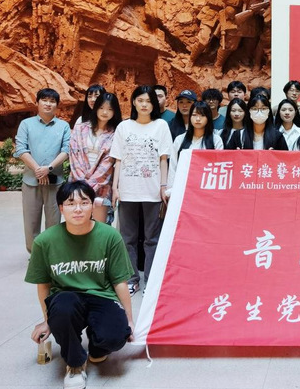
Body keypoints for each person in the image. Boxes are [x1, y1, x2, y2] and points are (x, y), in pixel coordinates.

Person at [25, 181, 134, 389]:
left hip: (101, 295)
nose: (77, 209)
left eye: (84, 203)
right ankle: (75, 364)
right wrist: (47, 321)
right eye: (70, 203)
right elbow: (43, 285)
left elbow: (120, 281)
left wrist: (129, 320)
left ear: (93, 206)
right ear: (61, 208)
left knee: (115, 336)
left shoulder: (110, 236)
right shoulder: (45, 241)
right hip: (66, 297)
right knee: (63, 310)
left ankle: (97, 347)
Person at [110, 85, 173, 295]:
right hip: (127, 189)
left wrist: (163, 186)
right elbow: (118, 160)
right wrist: (115, 188)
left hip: (152, 191)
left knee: (151, 238)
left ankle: (151, 281)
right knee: (127, 238)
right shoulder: (124, 127)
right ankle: (132, 279)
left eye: (148, 101)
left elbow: (164, 159)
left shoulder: (161, 126)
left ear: (154, 104)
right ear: (133, 102)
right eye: (140, 100)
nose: (144, 105)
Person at [14, 88, 71, 254]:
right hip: (31, 181)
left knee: (54, 221)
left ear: (57, 105)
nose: (48, 104)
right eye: (44, 100)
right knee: (31, 221)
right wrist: (38, 170)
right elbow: (21, 149)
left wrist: (49, 168)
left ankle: (51, 254)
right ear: (37, 102)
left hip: (55, 181)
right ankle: (35, 255)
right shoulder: (26, 124)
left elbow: (66, 150)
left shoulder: (63, 126)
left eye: (52, 101)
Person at [69, 92, 121, 223]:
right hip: (77, 184)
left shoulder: (116, 133)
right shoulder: (80, 128)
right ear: (96, 108)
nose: (105, 112)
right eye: (101, 108)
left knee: (100, 228)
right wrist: (82, 183)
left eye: (110, 109)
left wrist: (90, 185)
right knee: (78, 224)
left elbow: (108, 163)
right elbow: (74, 155)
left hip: (101, 186)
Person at [167, 101, 223, 199]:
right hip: (182, 188)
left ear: (208, 118)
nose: (197, 119)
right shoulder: (180, 139)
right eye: (194, 115)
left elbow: (219, 168)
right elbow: (173, 166)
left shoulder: (216, 140)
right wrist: (171, 189)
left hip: (206, 189)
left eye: (202, 115)